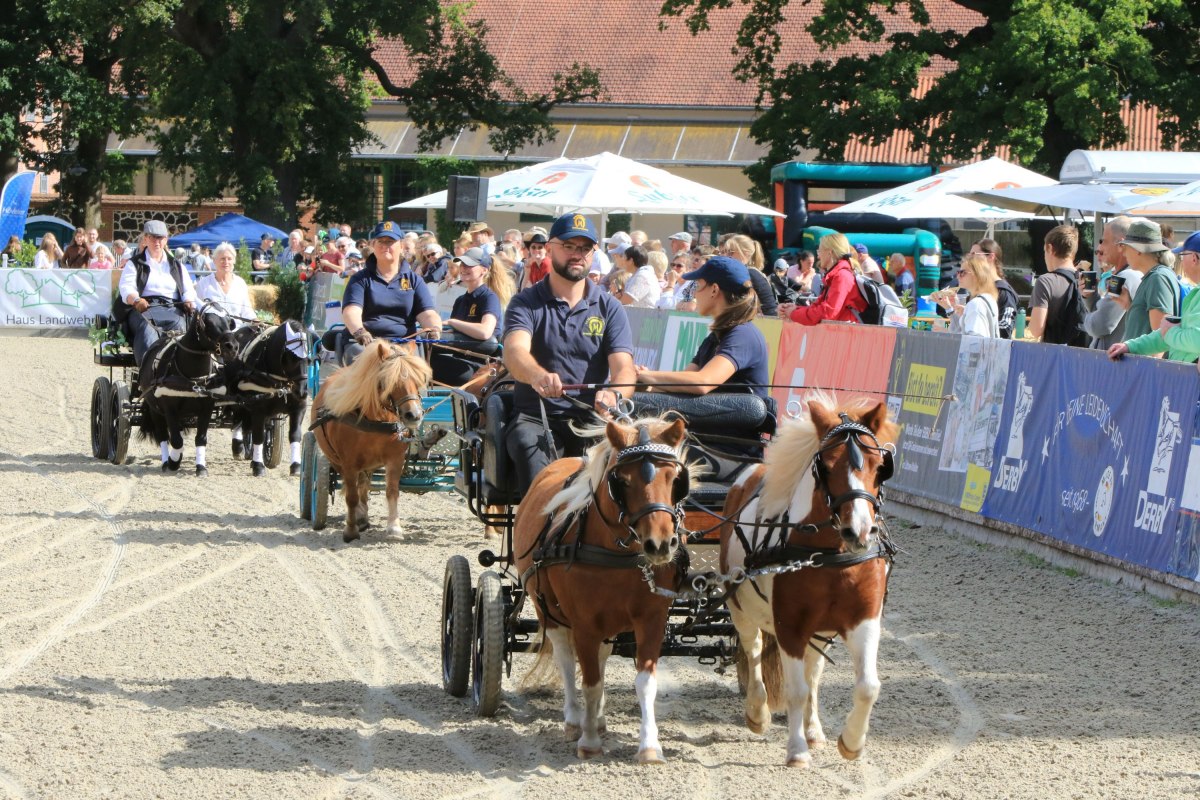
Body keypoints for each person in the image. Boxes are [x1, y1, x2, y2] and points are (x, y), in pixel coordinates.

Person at [502, 211, 635, 494]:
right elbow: (514, 352)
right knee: (543, 485)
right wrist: (537, 375)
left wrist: (614, 394)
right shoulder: (525, 303)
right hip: (536, 417)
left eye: (585, 248)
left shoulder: (609, 307)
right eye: (569, 246)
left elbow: (624, 368)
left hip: (592, 419)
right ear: (550, 248)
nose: (578, 254)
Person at [635, 256, 768, 398]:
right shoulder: (717, 335)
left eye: (698, 286)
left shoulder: (743, 335)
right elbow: (687, 381)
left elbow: (703, 382)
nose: (695, 293)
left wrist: (646, 375)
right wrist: (645, 383)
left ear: (714, 290)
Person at [339, 221, 442, 365]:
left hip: (405, 345)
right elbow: (351, 311)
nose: (384, 245)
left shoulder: (414, 280)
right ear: (373, 245)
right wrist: (359, 332)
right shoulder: (360, 279)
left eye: (390, 241)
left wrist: (434, 329)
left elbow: (427, 313)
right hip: (366, 344)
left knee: (417, 373)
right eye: (380, 241)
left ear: (400, 246)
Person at [1108, 230, 1200, 364]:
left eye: (1182, 255)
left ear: (1194, 258)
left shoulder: (1159, 277)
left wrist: (1170, 332)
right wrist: (1130, 346)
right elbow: (1164, 334)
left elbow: (1195, 339)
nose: (1181, 260)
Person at [115, 220, 198, 366]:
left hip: (172, 307)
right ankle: (148, 368)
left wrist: (188, 300)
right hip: (144, 307)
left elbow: (188, 289)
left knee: (180, 327)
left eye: (160, 238)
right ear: (145, 239)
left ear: (165, 240)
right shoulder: (134, 263)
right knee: (148, 328)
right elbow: (126, 288)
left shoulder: (176, 265)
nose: (157, 242)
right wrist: (136, 300)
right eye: (153, 237)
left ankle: (177, 368)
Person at [431, 247, 503, 386]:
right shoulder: (460, 300)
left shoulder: (489, 297)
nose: (464, 268)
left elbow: (485, 331)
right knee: (423, 359)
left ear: (484, 270)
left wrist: (453, 322)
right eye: (462, 264)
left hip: (482, 366)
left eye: (469, 265)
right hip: (460, 360)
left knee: (427, 366)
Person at [1110, 218, 1181, 347]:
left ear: (1138, 249)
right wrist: (1128, 305)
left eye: (1125, 246)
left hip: (1146, 366)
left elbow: (1160, 338)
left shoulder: (1157, 278)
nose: (1123, 252)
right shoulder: (1155, 276)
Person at [778, 232, 866, 325]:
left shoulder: (842, 276)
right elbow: (818, 307)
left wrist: (793, 313)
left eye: (819, 251)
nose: (818, 256)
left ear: (829, 253)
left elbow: (827, 313)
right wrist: (794, 309)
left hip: (846, 334)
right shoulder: (835, 276)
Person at [1083, 216, 1140, 349]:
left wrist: (1085, 319)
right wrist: (1090, 297)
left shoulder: (1121, 279)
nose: (1100, 247)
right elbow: (1103, 316)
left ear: (1120, 245)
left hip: (1112, 361)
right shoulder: (1127, 275)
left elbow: (1100, 325)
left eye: (1104, 241)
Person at [1027, 225, 1087, 346]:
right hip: (1082, 356)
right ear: (1073, 253)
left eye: (1044, 251)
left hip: (1054, 356)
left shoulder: (1045, 282)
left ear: (1050, 248)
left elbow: (1036, 330)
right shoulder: (1085, 281)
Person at [936, 254, 1000, 337]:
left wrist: (946, 334)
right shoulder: (988, 299)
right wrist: (951, 309)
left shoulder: (976, 304)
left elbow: (973, 342)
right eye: (958, 272)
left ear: (977, 275)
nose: (958, 276)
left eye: (962, 273)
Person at [196, 242, 254, 323]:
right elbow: (198, 312)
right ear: (214, 261)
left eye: (229, 259)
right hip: (213, 333)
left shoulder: (240, 283)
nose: (226, 262)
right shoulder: (203, 284)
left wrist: (255, 321)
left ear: (234, 261)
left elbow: (247, 312)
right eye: (222, 259)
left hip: (238, 331)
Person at [720, 234, 777, 316]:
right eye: (724, 252)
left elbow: (770, 308)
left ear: (745, 253)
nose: (725, 256)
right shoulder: (734, 274)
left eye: (730, 252)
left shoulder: (752, 273)